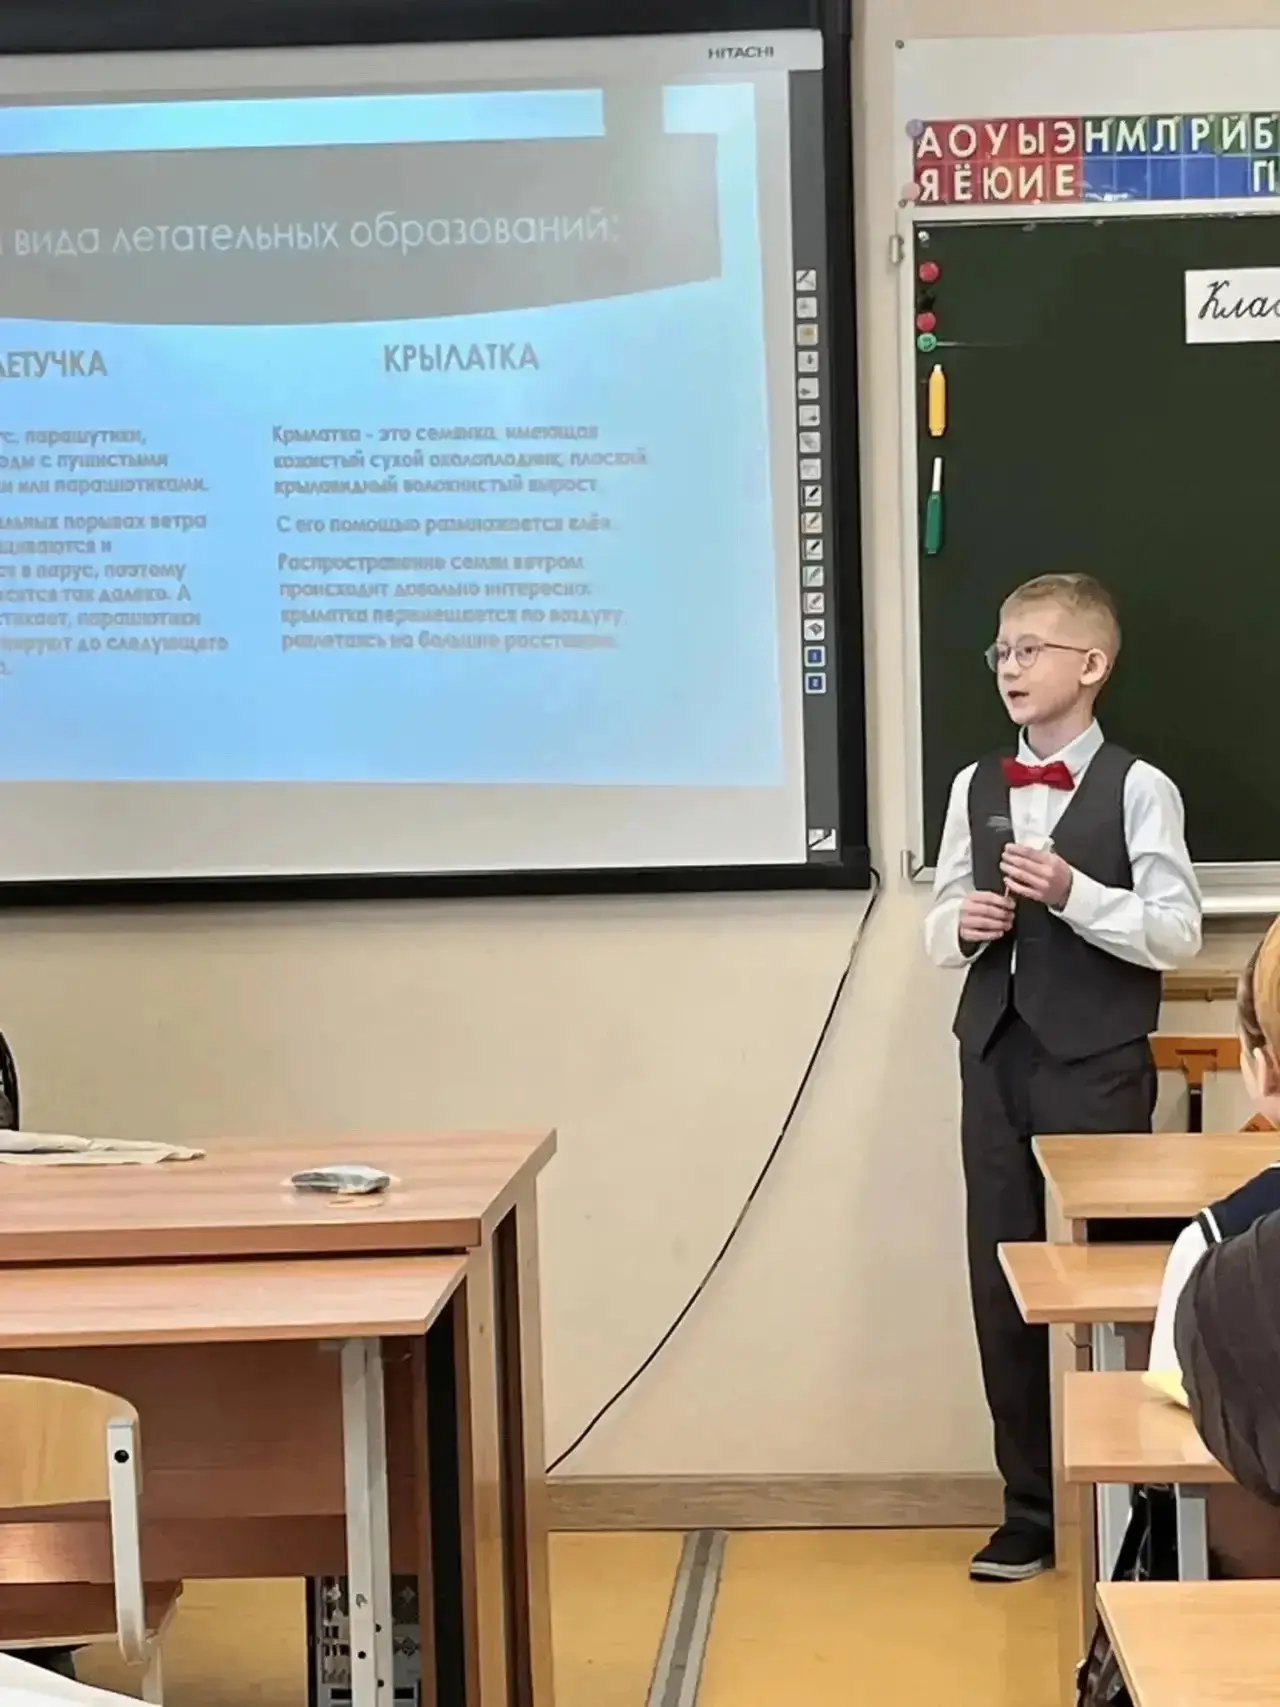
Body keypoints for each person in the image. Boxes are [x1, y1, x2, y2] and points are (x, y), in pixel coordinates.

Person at [924, 572, 1201, 1583]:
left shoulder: (1139, 787)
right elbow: (937, 919)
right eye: (1000, 650)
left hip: (1096, 1064)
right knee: (998, 1274)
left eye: (1029, 648)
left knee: (1116, 1281)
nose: (1009, 666)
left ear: (1090, 665)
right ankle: (1029, 1508)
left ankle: (1139, 1504)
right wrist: (961, 925)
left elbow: (1176, 932)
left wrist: (1076, 893)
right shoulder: (973, 785)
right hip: (994, 1053)